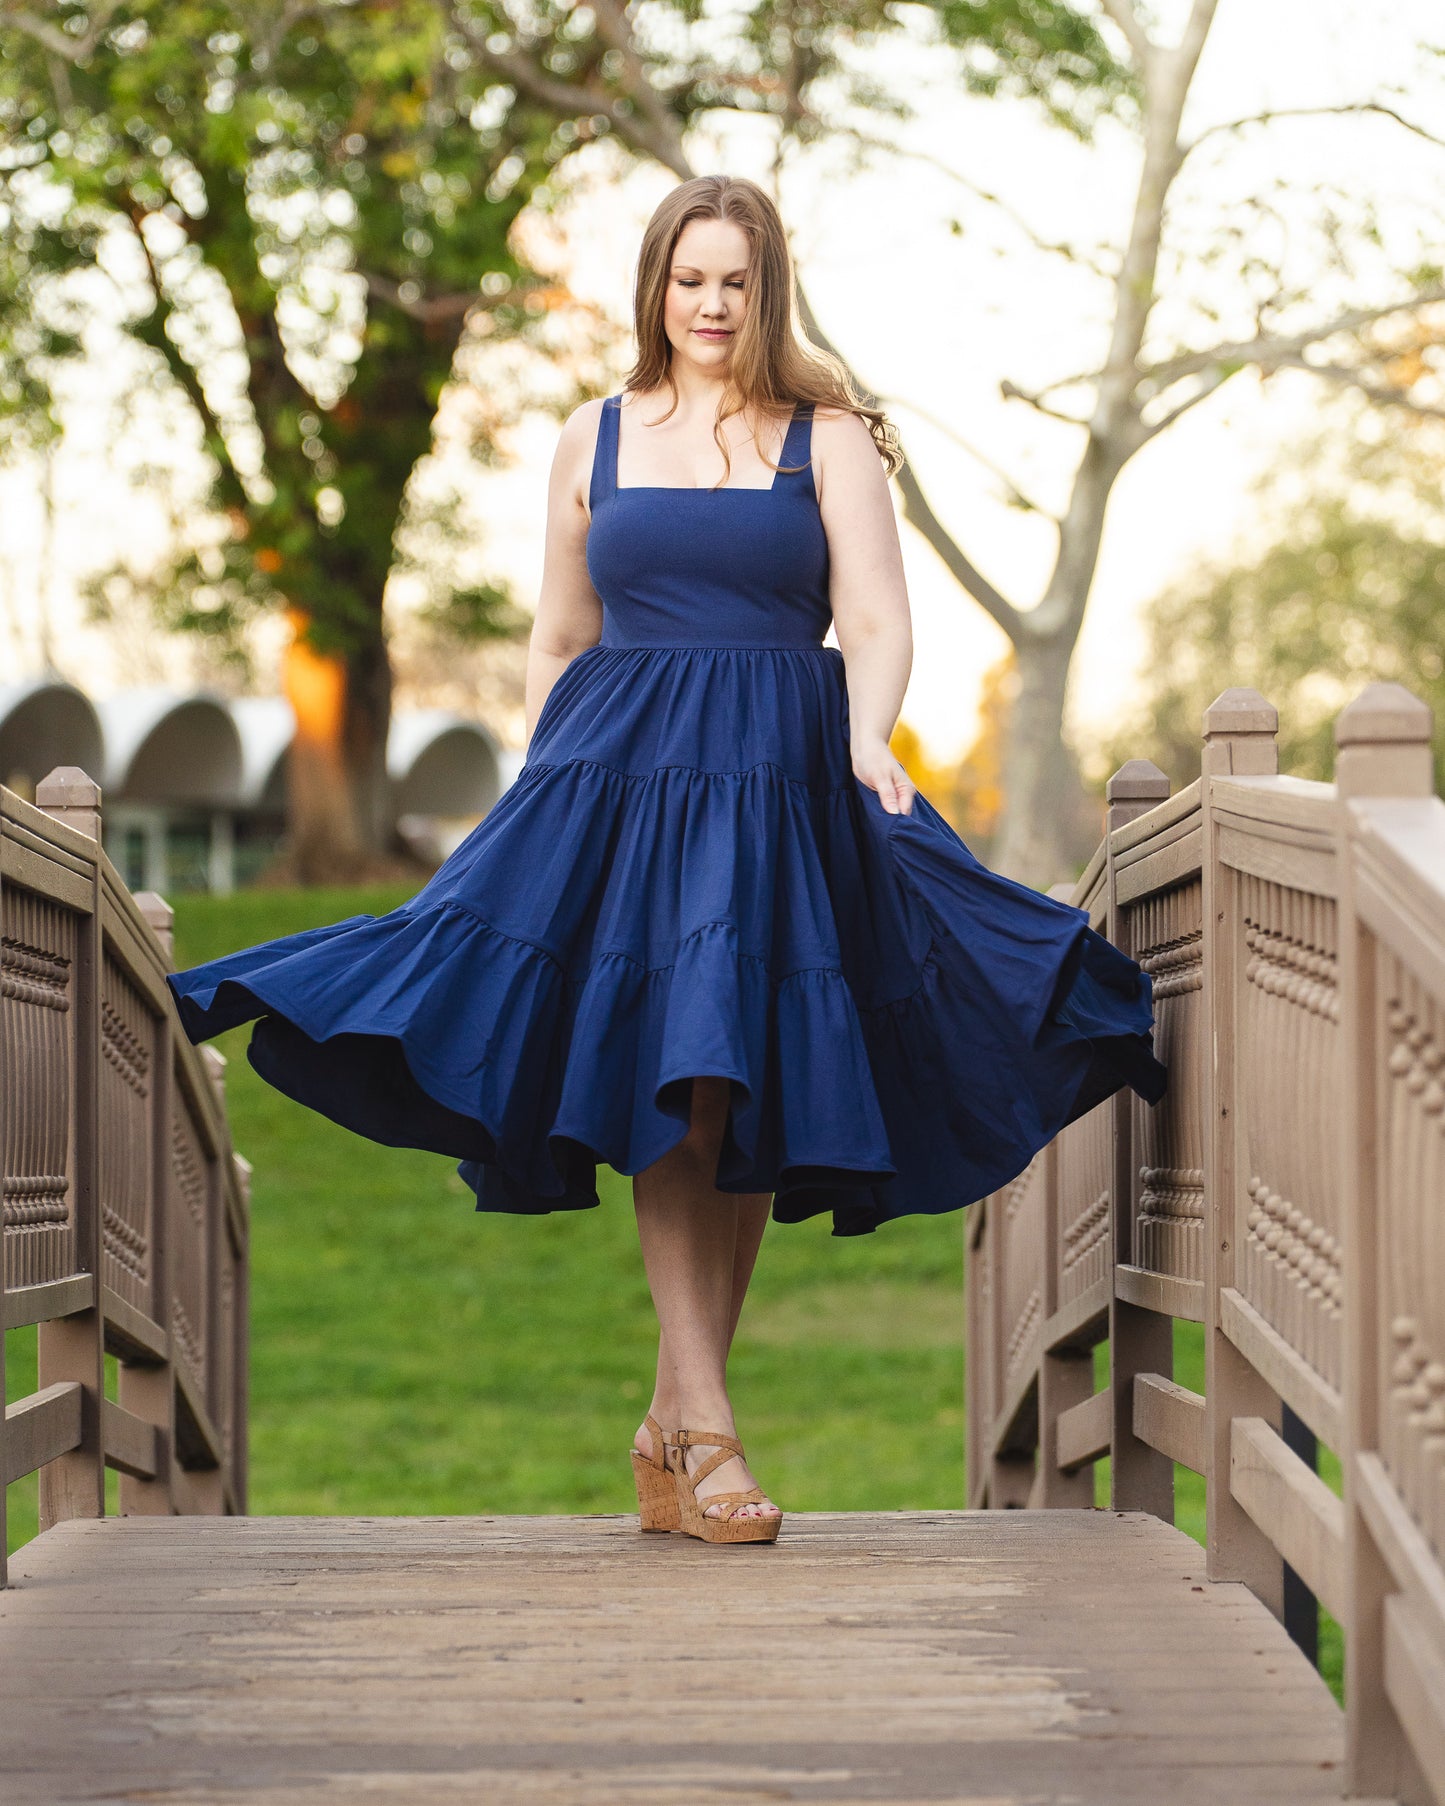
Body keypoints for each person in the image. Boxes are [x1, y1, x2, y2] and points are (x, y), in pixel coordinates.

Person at [167, 174, 1166, 1548]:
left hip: (783, 777)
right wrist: (540, 779)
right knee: (678, 1077)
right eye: (688, 279)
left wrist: (870, 738)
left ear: (768, 291)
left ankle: (673, 1425)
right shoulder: (593, 436)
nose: (709, 304)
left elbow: (874, 619)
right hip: (621, 779)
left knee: (735, 1075)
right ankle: (704, 1427)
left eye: (734, 282)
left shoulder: (829, 439)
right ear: (655, 288)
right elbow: (559, 632)